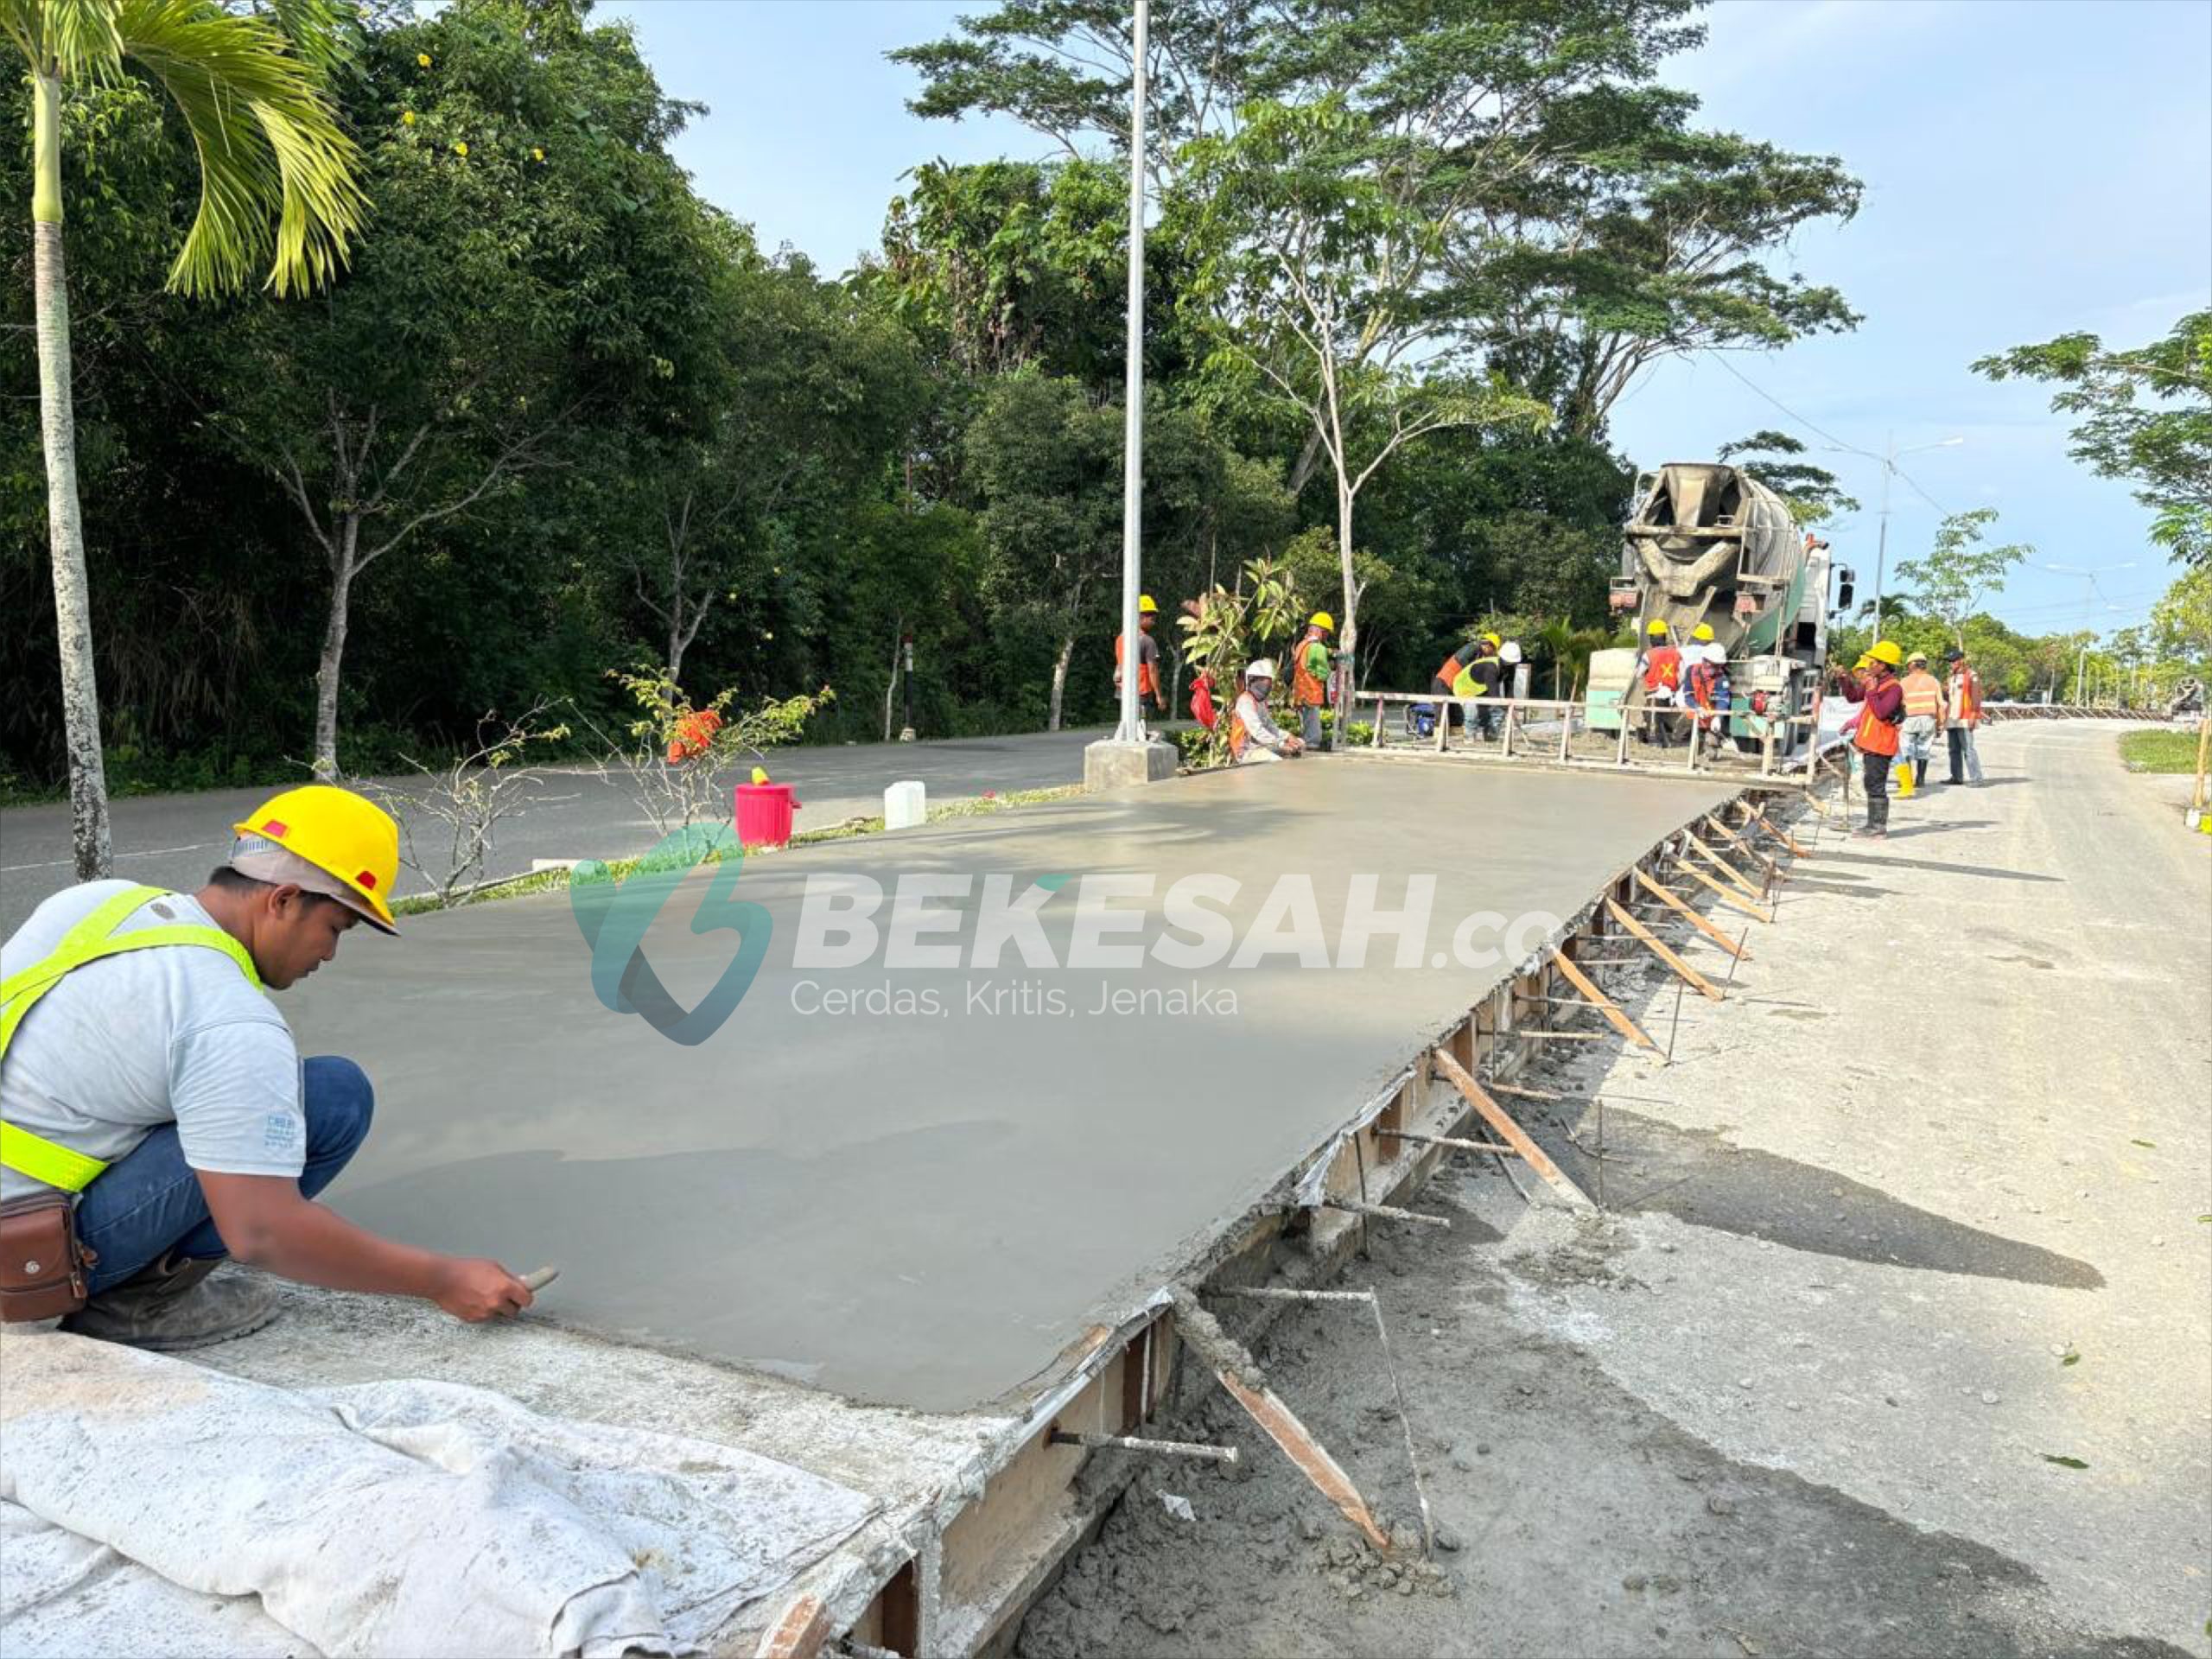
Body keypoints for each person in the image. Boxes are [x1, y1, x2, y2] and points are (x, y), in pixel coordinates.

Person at [0, 785, 536, 1348]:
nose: (328, 954)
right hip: (19, 1264)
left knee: (240, 1099)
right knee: (331, 1098)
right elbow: (262, 1231)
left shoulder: (102, 904)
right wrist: (441, 1279)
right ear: (281, 900)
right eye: (335, 929)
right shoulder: (228, 1019)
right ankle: (138, 1307)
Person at [1847, 640, 1906, 838]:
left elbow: (1881, 713)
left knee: (1876, 785)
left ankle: (1878, 826)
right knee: (1870, 782)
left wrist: (1871, 690)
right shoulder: (1877, 683)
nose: (1870, 666)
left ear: (1884, 665)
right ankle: (1872, 824)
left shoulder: (1893, 688)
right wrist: (1843, 679)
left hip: (1881, 744)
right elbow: (1853, 696)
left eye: (1874, 662)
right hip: (1871, 742)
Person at [1229, 659, 1304, 763]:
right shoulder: (1246, 701)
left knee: (1300, 743)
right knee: (1276, 760)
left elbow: (1270, 725)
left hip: (1262, 745)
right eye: (1265, 681)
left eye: (1269, 681)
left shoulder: (1261, 701)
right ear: (1252, 680)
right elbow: (1258, 732)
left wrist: (1288, 736)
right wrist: (1281, 744)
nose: (1268, 685)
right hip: (1246, 751)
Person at [1114, 594, 1170, 718]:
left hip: (1122, 689)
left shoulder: (1120, 638)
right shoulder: (1147, 641)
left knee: (1127, 721)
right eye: (1152, 619)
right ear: (1141, 617)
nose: (1153, 622)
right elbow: (1152, 670)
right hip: (1140, 691)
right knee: (1139, 724)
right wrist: (1158, 695)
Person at [1898, 650, 1946, 790]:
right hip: (1928, 720)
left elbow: (1899, 703)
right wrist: (1940, 724)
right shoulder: (1934, 681)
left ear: (1912, 665)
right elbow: (1941, 704)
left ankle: (1906, 780)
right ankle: (1920, 780)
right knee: (1924, 749)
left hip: (1909, 719)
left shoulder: (1904, 682)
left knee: (1906, 749)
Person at [1636, 620, 1683, 747]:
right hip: (1672, 695)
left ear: (1651, 638)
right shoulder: (1676, 653)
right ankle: (1663, 740)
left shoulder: (1649, 655)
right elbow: (1682, 676)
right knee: (1661, 718)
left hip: (1654, 694)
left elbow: (1638, 674)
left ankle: (1656, 742)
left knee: (1652, 718)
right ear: (1664, 636)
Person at [1291, 611, 1334, 747]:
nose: (1327, 636)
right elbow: (1322, 673)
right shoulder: (1318, 648)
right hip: (1311, 693)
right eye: (1327, 632)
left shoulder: (1302, 645)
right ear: (1321, 631)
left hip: (1300, 693)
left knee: (1307, 725)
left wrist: (1329, 652)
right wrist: (1331, 666)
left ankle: (1304, 744)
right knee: (1313, 735)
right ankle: (1309, 747)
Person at [1452, 632, 1505, 741]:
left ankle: (1489, 736)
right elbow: (1462, 663)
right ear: (1489, 646)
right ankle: (1469, 738)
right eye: (1494, 650)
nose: (1494, 653)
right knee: (1472, 713)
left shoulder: (1486, 658)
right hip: (1464, 686)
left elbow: (1494, 685)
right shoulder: (1473, 650)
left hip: (1477, 687)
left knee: (1487, 712)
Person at [1944, 646, 1986, 785]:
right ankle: (1957, 777)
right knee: (1953, 749)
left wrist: (1974, 715)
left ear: (1961, 660)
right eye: (1950, 661)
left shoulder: (1972, 675)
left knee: (1968, 749)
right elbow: (1948, 697)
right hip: (1952, 718)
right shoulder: (1951, 677)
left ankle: (1976, 778)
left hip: (1965, 717)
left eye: (1954, 660)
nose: (1952, 663)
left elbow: (1976, 697)